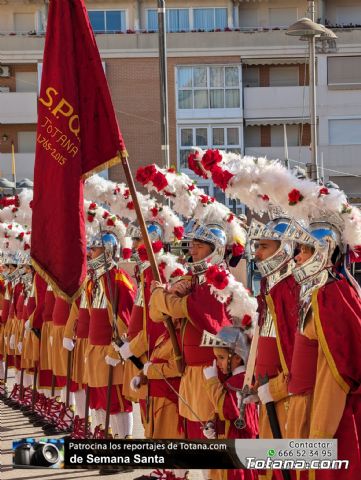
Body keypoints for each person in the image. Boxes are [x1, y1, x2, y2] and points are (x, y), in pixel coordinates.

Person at [282, 218, 361, 480]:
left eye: (305, 250)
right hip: (304, 408)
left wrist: (319, 436)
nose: (298, 258)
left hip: (324, 415)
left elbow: (334, 374)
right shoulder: (319, 292)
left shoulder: (333, 295)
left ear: (325, 251)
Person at [149, 223, 232, 445]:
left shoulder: (218, 282)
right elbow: (156, 314)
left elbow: (181, 308)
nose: (192, 251)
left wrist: (160, 293)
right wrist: (167, 296)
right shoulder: (192, 279)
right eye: (192, 245)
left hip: (210, 372)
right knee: (192, 436)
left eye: (199, 246)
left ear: (215, 250)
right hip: (191, 373)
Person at [247, 217, 299, 480]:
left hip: (287, 402)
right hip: (269, 396)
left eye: (264, 246)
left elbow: (299, 362)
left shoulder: (292, 289)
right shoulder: (270, 287)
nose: (257, 253)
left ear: (285, 249)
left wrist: (275, 388)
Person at [84, 231, 136, 440]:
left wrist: (117, 350)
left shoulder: (117, 277)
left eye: (94, 249)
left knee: (116, 401)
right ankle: (104, 438)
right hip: (94, 348)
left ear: (107, 252)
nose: (90, 253)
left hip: (110, 348)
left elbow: (126, 318)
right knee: (97, 398)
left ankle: (124, 443)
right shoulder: (93, 280)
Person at [200, 326, 259, 480]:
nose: (218, 363)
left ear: (237, 357)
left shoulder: (241, 381)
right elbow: (222, 413)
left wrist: (212, 382)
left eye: (221, 357)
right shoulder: (233, 380)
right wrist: (212, 424)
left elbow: (227, 409)